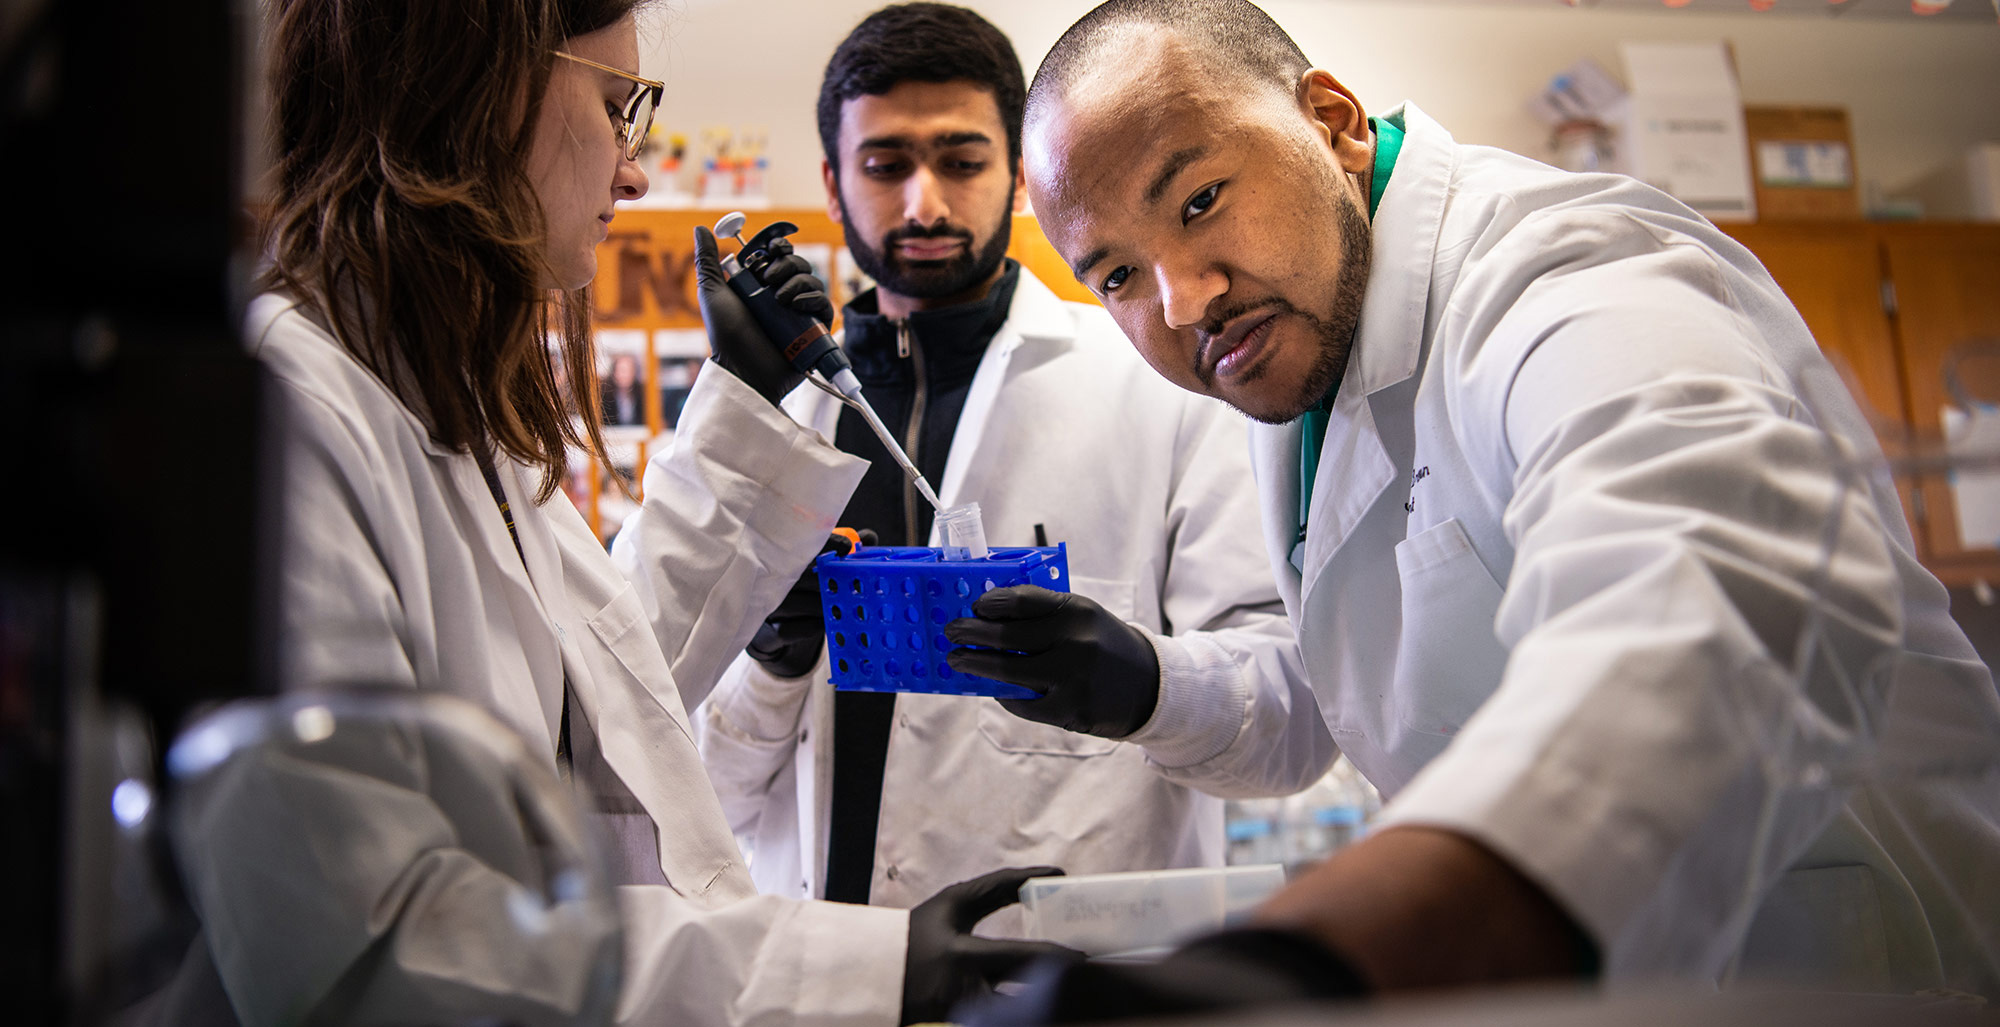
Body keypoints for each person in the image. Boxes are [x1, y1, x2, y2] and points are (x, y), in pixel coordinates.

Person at [985, 0, 2000, 1006]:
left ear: (1330, 122)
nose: (1181, 299)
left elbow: (1705, 588)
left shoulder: (1566, 271)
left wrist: (1339, 951)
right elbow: (1348, 689)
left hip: (1838, 967)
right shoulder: (1292, 356)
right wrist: (1140, 684)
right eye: (1116, 272)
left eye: (1199, 199)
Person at [186, 1, 1066, 1023]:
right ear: (483, 95)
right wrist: (857, 969)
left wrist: (740, 396)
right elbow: (375, 946)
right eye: (619, 107)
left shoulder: (447, 413)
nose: (635, 168)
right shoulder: (293, 414)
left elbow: (617, 694)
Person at [696, 2, 1333, 927]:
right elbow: (686, 788)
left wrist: (1149, 685)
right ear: (833, 188)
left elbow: (1292, 728)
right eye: (885, 166)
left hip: (1063, 973)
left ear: (1023, 179)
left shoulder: (1160, 384)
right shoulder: (768, 415)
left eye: (961, 161)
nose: (924, 203)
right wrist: (770, 659)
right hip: (821, 970)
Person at [601, 351, 646, 425]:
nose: (625, 375)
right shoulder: (605, 397)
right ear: (614, 372)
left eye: (629, 370)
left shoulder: (641, 395)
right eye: (622, 371)